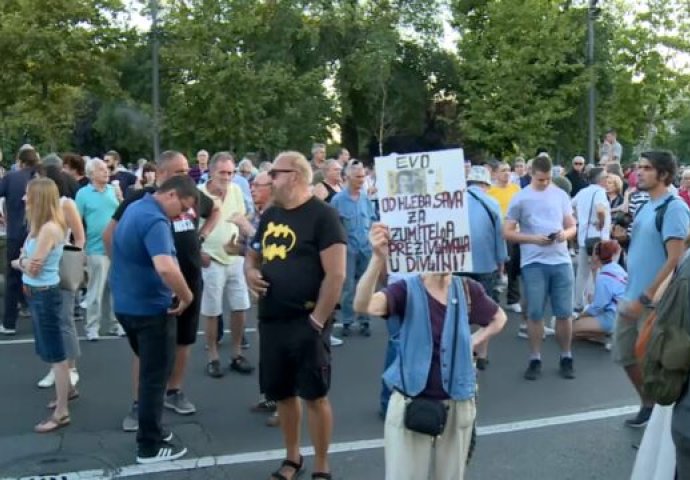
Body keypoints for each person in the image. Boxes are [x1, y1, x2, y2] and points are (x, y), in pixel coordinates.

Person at [353, 223, 506, 480]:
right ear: (425, 250)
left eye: (452, 246)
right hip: (411, 399)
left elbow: (499, 318)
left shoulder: (468, 289)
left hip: (458, 401)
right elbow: (363, 305)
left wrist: (473, 341)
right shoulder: (406, 289)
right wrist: (377, 259)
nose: (446, 253)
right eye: (440, 247)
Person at [245, 151, 346, 480]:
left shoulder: (323, 216)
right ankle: (292, 457)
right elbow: (253, 254)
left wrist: (317, 320)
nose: (269, 179)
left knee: (315, 395)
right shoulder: (271, 214)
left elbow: (336, 274)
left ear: (296, 176)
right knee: (283, 394)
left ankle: (321, 465)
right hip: (272, 318)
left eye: (275, 173)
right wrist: (249, 272)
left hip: (308, 320)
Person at [103, 150, 219, 430]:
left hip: (188, 276)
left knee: (184, 339)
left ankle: (173, 391)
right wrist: (126, 269)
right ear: (163, 173)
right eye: (180, 171)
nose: (186, 175)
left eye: (187, 170)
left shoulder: (192, 195)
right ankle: (140, 404)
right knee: (147, 348)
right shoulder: (141, 201)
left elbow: (215, 210)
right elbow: (110, 234)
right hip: (155, 288)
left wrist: (201, 236)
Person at [111, 175, 199, 464]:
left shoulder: (135, 208)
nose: (182, 215)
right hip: (150, 310)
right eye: (182, 207)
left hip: (127, 305)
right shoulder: (156, 220)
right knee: (154, 379)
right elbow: (165, 267)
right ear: (171, 195)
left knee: (150, 373)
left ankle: (154, 431)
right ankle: (149, 445)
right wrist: (186, 296)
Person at [614, 151, 690, 428]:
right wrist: (623, 240)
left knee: (656, 364)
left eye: (647, 168)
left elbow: (675, 259)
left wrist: (647, 295)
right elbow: (643, 247)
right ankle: (648, 405)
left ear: (664, 174)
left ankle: (661, 424)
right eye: (639, 167)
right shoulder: (646, 205)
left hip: (655, 303)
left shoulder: (674, 208)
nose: (639, 172)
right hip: (631, 295)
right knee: (625, 355)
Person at [504, 154, 578, 380]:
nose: (545, 183)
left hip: (561, 259)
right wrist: (533, 239)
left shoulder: (560, 195)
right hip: (534, 262)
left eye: (548, 179)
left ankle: (566, 356)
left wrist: (564, 235)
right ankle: (535, 358)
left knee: (564, 313)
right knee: (535, 312)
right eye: (540, 179)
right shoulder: (520, 198)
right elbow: (507, 232)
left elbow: (572, 226)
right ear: (531, 174)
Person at [12, 178, 68, 432]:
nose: (24, 198)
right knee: (50, 349)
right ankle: (67, 392)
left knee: (55, 353)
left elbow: (32, 266)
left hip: (44, 293)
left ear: (39, 199)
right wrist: (25, 261)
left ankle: (62, 412)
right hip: (37, 293)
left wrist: (20, 263)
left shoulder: (48, 229)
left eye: (28, 195)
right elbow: (29, 260)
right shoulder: (39, 227)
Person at [198, 152, 254, 378]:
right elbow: (189, 226)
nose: (227, 177)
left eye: (231, 172)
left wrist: (241, 244)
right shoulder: (198, 194)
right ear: (211, 172)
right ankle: (213, 357)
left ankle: (237, 354)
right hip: (210, 258)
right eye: (223, 172)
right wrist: (198, 252)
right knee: (212, 310)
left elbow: (241, 220)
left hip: (235, 257)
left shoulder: (237, 190)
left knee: (240, 307)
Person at [36, 166, 86, 390]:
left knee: (65, 319)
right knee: (49, 321)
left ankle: (71, 368)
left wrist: (74, 261)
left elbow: (79, 237)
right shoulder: (41, 205)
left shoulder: (66, 204)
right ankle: (56, 367)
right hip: (43, 268)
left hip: (61, 266)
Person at [464, 166, 508, 369]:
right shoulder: (492, 203)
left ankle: (461, 349)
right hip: (485, 263)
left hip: (458, 264)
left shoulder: (454, 203)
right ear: (486, 184)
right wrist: (501, 263)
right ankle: (482, 353)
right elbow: (500, 236)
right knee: (486, 310)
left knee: (459, 309)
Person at [76, 158, 123, 341]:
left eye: (107, 169)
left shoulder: (113, 190)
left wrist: (121, 198)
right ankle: (92, 327)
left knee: (117, 289)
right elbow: (77, 220)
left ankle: (116, 324)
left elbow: (124, 213)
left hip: (116, 247)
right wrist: (80, 246)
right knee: (95, 290)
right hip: (96, 247)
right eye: (102, 169)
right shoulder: (83, 194)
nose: (106, 172)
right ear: (91, 174)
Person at [330, 160, 376, 338]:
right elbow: (333, 225)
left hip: (365, 248)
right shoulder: (338, 200)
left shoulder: (365, 198)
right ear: (348, 177)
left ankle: (365, 320)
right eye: (358, 177)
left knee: (365, 286)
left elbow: (372, 220)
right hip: (347, 249)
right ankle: (348, 321)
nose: (361, 180)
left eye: (363, 176)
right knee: (348, 286)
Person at [0, 146, 40, 335]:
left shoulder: (11, 178)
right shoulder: (42, 179)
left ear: (20, 161)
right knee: (39, 275)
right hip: (39, 234)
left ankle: (9, 323)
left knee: (13, 278)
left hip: (16, 233)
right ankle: (39, 319)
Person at [571, 167, 611, 313]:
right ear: (600, 179)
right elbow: (600, 209)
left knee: (582, 273)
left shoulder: (583, 192)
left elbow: (571, 207)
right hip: (598, 238)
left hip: (584, 238)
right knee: (598, 272)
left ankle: (578, 303)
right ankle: (597, 303)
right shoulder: (600, 192)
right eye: (606, 177)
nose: (607, 180)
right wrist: (601, 222)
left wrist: (580, 220)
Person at [572, 240, 626, 343]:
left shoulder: (603, 276)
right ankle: (604, 333)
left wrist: (579, 317)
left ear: (596, 256)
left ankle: (605, 335)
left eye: (593, 252)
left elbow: (598, 307)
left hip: (613, 316)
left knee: (572, 328)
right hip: (624, 314)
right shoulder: (618, 268)